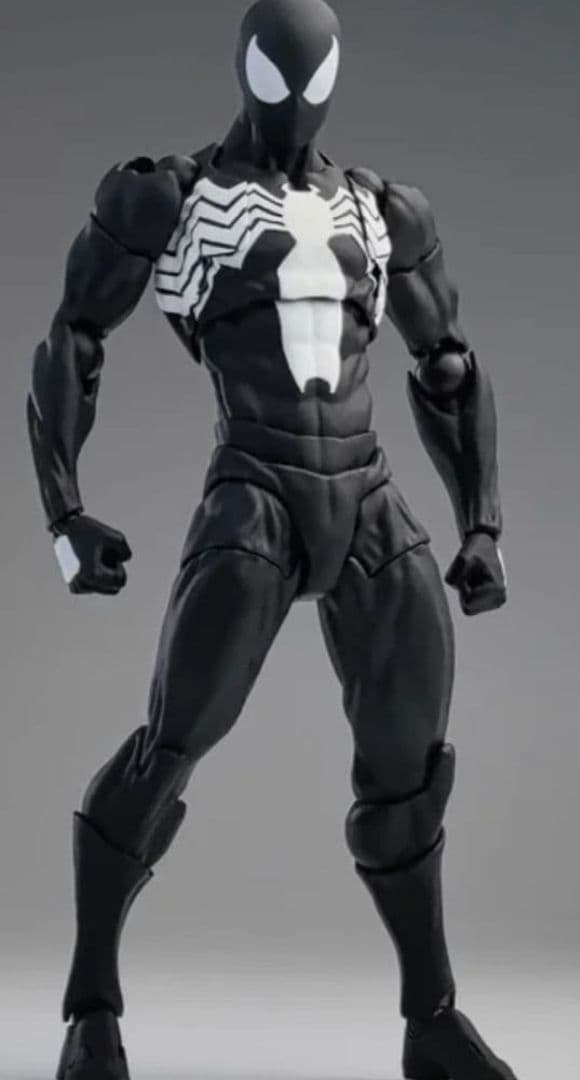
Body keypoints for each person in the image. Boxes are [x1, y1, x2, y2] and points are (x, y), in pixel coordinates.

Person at [27, 1, 516, 1077]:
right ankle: (91, 1009)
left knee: (410, 766)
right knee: (171, 745)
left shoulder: (383, 209)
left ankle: (432, 1022)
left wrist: (482, 524)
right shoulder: (171, 196)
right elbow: (74, 335)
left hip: (369, 497)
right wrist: (64, 515)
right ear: (244, 68)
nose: (297, 96)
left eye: (315, 74)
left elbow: (447, 367)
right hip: (255, 490)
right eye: (278, 72)